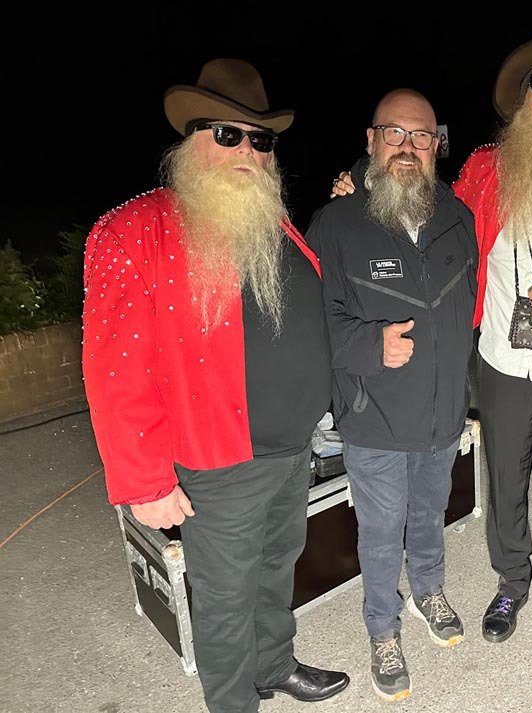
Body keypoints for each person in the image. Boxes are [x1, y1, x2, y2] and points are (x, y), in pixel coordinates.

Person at [332, 34, 532, 643]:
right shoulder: (484, 169)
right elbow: (424, 205)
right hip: (499, 358)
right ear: (523, 99)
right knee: (504, 478)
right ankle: (511, 582)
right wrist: (358, 178)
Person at [81, 58, 349, 713]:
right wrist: (144, 483)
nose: (248, 150)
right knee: (226, 598)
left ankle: (274, 664)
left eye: (262, 139)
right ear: (189, 139)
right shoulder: (133, 231)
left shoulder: (270, 222)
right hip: (220, 461)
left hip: (292, 447)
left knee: (276, 567)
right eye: (228, 134)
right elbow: (115, 370)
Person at [306, 89, 478, 702]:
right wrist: (369, 345)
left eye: (421, 136)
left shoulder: (458, 216)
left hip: (441, 411)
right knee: (381, 530)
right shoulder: (336, 224)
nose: (408, 146)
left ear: (437, 145)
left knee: (430, 512)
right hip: (372, 413)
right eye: (395, 134)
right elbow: (314, 321)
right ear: (372, 140)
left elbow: (468, 306)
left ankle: (428, 589)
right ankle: (382, 626)